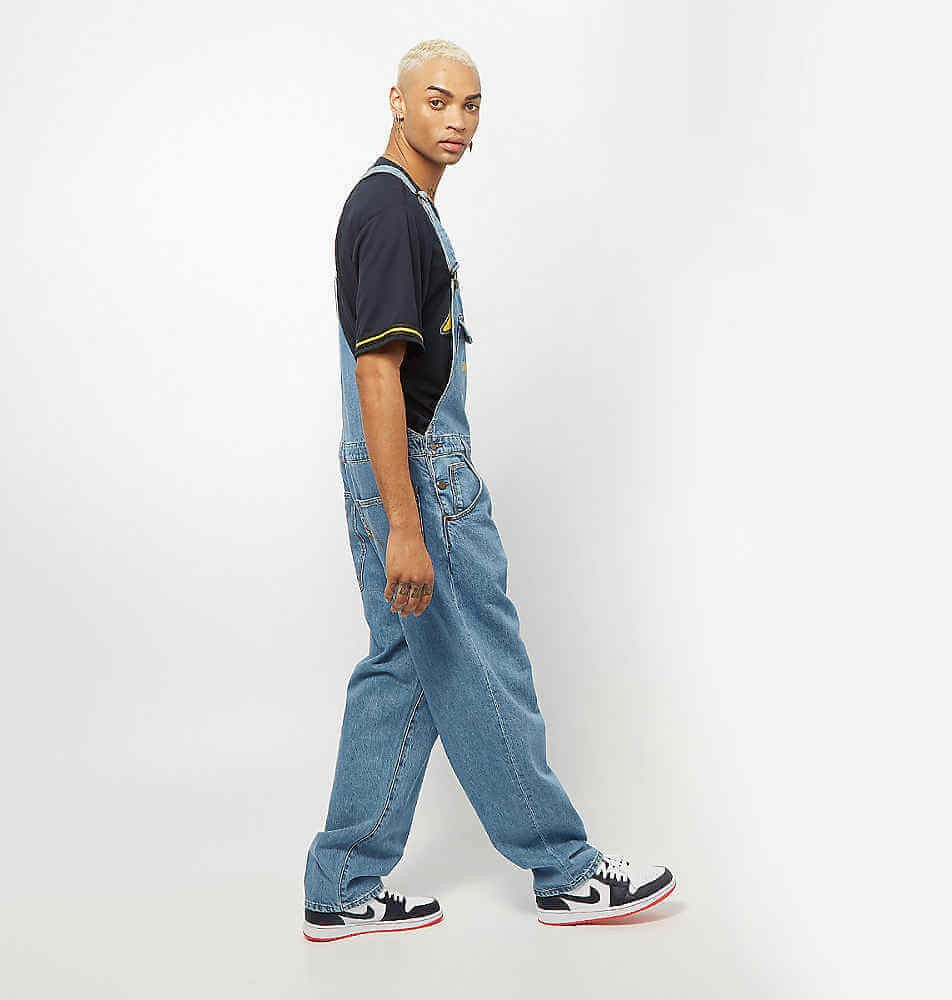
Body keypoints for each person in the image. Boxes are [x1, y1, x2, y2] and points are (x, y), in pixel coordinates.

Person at [303, 39, 676, 943]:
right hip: (419, 480)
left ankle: (341, 882)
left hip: (394, 474)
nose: (458, 122)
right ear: (397, 101)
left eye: (471, 106)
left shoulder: (404, 207)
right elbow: (379, 374)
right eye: (438, 101)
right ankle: (566, 871)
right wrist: (406, 525)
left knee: (405, 669)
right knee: (481, 663)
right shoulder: (390, 210)